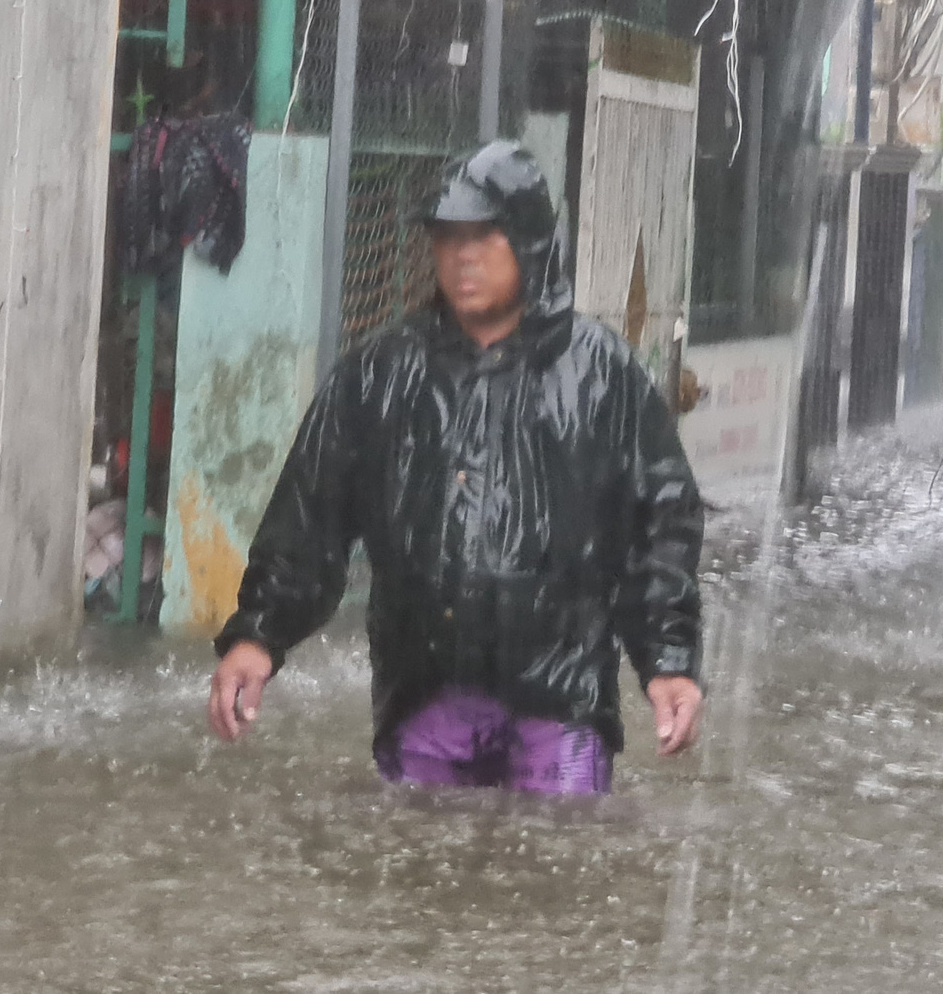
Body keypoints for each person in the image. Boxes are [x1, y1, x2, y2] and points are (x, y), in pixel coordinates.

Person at [205, 140, 705, 794]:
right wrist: (258, 636)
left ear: (528, 244)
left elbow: (662, 520)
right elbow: (311, 514)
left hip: (560, 697)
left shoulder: (601, 374)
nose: (462, 257)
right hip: (426, 692)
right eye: (447, 239)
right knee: (419, 865)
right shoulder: (381, 373)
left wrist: (668, 660)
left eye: (483, 237)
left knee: (557, 864)